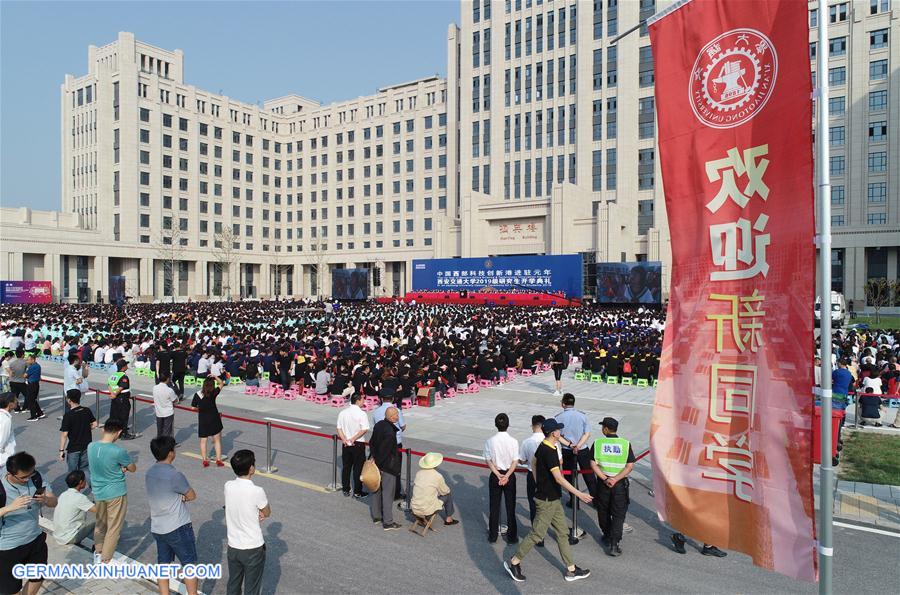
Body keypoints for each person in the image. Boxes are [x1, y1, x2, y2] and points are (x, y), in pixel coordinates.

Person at [504, 419, 592, 583]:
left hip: (552, 498)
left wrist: (538, 482)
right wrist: (579, 494)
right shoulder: (550, 451)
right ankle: (513, 562)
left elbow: (534, 462)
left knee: (562, 533)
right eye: (559, 430)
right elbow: (559, 479)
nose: (561, 432)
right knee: (537, 534)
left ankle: (571, 569)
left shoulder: (544, 446)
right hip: (546, 501)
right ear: (554, 433)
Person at [146, 436, 199, 595]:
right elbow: (191, 495)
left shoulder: (149, 472)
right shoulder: (175, 474)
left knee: (163, 564)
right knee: (189, 565)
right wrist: (181, 497)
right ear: (170, 453)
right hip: (177, 527)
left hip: (158, 527)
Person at [1, 453, 57, 594]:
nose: (27, 480)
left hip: (35, 539)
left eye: (30, 475)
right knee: (11, 590)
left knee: (38, 576)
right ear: (10, 474)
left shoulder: (35, 477)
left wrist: (45, 499)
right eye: (23, 478)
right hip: (8, 547)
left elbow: (54, 501)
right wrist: (10, 507)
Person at [88, 419, 136, 563]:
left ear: (104, 429)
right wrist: (124, 468)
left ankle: (98, 552)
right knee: (114, 527)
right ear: (119, 432)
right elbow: (133, 468)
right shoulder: (118, 451)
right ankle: (105, 560)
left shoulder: (91, 446)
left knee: (100, 523)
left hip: (98, 491)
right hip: (115, 492)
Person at [224, 449, 271, 595]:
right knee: (252, 588)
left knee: (233, 584)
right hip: (252, 547)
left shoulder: (228, 486)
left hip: (233, 546)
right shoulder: (257, 491)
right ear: (251, 468)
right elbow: (267, 511)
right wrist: (259, 513)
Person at [589, 417, 634, 556]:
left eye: (603, 427)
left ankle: (607, 536)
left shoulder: (598, 443)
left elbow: (592, 464)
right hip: (619, 485)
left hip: (603, 484)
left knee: (603, 511)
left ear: (606, 429)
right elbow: (629, 466)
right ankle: (614, 544)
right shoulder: (626, 444)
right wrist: (615, 479)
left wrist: (605, 478)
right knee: (618, 514)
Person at [554, 393, 598, 507]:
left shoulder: (558, 417)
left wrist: (570, 445)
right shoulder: (582, 416)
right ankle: (597, 501)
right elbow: (587, 434)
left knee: (570, 476)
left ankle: (574, 501)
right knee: (589, 476)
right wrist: (578, 445)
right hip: (582, 449)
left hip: (567, 450)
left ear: (563, 404)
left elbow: (558, 436)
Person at [484, 412, 519, 544]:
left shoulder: (490, 441)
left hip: (495, 474)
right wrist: (507, 475)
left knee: (494, 506)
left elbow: (488, 460)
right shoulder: (514, 441)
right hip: (509, 475)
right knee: (510, 507)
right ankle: (512, 537)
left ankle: (493, 535)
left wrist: (498, 474)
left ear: (495, 425)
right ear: (508, 425)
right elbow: (515, 461)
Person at [369, 406, 402, 530]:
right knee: (388, 494)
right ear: (392, 417)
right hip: (387, 466)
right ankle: (388, 522)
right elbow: (385, 451)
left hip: (376, 464)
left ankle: (376, 516)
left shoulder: (379, 425)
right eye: (396, 415)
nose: (398, 417)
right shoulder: (390, 432)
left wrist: (373, 458)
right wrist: (380, 463)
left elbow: (372, 442)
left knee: (376, 489)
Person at [519, 414, 547, 547]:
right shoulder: (551, 441)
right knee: (547, 505)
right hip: (548, 476)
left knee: (533, 504)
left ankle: (537, 535)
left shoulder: (527, 442)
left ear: (532, 426)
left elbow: (522, 460)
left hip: (532, 475)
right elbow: (560, 461)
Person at [59, 389, 98, 483]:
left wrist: (61, 450)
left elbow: (64, 434)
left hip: (74, 448)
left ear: (69, 400)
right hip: (86, 445)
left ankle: (73, 490)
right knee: (85, 468)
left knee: (72, 472)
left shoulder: (68, 415)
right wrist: (86, 429)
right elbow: (95, 424)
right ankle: (93, 487)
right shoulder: (86, 410)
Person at [410, 452, 458, 526]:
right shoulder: (437, 476)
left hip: (414, 508)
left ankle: (423, 517)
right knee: (448, 495)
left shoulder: (419, 473)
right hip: (426, 510)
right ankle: (449, 519)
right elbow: (445, 491)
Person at [336, 393, 369, 498]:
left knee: (346, 467)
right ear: (358, 400)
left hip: (346, 443)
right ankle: (357, 491)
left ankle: (346, 489)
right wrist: (354, 438)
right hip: (358, 443)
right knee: (358, 468)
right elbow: (364, 429)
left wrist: (345, 439)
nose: (364, 401)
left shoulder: (343, 412)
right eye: (363, 399)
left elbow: (339, 428)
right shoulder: (362, 414)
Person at [51, 470, 95, 546]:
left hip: (58, 535)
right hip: (69, 537)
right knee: (100, 519)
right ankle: (98, 546)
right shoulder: (80, 498)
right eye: (85, 480)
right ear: (81, 482)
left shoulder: (63, 494)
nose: (86, 482)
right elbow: (99, 510)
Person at [192, 376, 225, 467]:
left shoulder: (198, 394)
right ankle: (218, 459)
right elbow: (221, 383)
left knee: (203, 440)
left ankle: (205, 460)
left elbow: (193, 407)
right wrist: (215, 376)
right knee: (217, 440)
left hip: (203, 419)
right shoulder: (213, 392)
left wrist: (200, 408)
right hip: (214, 418)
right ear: (212, 385)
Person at [108, 358, 136, 440]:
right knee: (123, 416)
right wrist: (115, 394)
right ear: (123, 367)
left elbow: (109, 385)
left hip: (115, 398)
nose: (127, 366)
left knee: (115, 415)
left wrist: (112, 393)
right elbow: (121, 387)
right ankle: (123, 433)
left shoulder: (114, 375)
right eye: (126, 365)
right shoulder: (123, 376)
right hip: (122, 398)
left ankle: (115, 431)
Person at [153, 372, 179, 439]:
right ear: (167, 379)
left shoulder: (154, 388)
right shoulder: (169, 390)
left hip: (158, 412)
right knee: (167, 431)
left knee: (160, 430)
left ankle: (159, 443)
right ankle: (166, 445)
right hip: (168, 413)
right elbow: (175, 400)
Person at [24, 353, 45, 421]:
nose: (27, 361)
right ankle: (40, 413)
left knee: (31, 400)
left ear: (32, 360)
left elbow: (25, 375)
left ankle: (34, 416)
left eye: (28, 360)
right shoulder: (37, 366)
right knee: (33, 399)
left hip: (32, 384)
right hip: (35, 384)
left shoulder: (32, 367)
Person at [7, 349, 27, 413]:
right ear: (23, 355)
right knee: (27, 395)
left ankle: (16, 409)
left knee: (15, 396)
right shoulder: (25, 362)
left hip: (12, 381)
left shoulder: (12, 363)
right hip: (21, 382)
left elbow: (11, 373)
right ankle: (24, 408)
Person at [0, 393, 17, 467]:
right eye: (15, 400)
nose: (17, 401)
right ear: (10, 404)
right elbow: (1, 441)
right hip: (4, 459)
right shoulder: (6, 420)